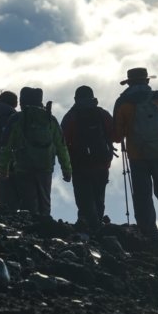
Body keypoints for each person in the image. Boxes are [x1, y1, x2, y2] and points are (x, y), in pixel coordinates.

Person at [112, 67, 158, 248]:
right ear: (147, 81)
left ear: (129, 83)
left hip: (137, 155)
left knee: (143, 197)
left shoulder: (123, 102)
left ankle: (151, 239)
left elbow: (117, 135)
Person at [0, 87, 72, 216]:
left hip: (23, 166)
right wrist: (67, 169)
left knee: (28, 203)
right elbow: (61, 146)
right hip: (45, 167)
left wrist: (3, 169)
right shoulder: (50, 119)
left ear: (22, 101)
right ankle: (46, 228)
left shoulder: (16, 119)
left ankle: (31, 230)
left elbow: (6, 145)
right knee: (45, 202)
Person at [60, 85, 116, 234]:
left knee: (84, 200)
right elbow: (114, 135)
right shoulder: (101, 114)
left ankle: (87, 229)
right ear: (93, 97)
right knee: (99, 198)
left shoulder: (71, 116)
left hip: (80, 165)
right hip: (102, 164)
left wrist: (66, 165)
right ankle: (97, 227)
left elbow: (62, 141)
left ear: (75, 99)